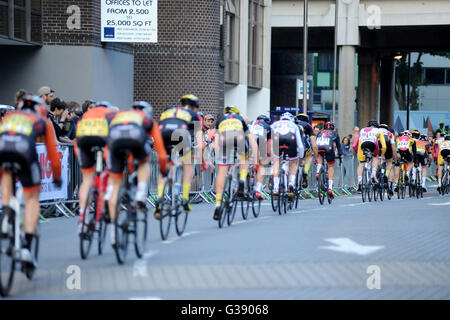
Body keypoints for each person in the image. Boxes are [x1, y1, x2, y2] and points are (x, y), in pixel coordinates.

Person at [0, 95, 61, 270]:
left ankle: (6, 212)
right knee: (32, 197)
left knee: (6, 176)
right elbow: (52, 152)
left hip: (3, 149)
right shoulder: (41, 119)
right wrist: (57, 176)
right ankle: (26, 245)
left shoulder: (8, 117)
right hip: (24, 152)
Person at [106, 101, 168, 247]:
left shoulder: (119, 116)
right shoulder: (148, 120)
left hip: (114, 140)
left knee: (115, 184)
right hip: (136, 139)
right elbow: (160, 150)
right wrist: (163, 169)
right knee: (143, 162)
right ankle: (140, 193)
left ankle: (113, 234)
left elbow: (107, 145)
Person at [154, 95, 204, 217]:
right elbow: (200, 142)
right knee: (188, 164)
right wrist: (202, 160)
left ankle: (160, 197)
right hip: (181, 134)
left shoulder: (168, 110)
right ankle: (185, 198)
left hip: (162, 133)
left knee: (164, 168)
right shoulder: (193, 114)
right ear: (195, 107)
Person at [213, 106, 258, 221]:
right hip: (239, 139)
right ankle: (242, 180)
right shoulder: (240, 119)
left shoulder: (221, 119)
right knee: (244, 158)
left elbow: (216, 142)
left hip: (224, 141)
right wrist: (257, 159)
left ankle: (218, 203)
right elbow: (251, 140)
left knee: (222, 172)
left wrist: (219, 155)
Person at [75, 101, 114, 234]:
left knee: (87, 179)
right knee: (113, 172)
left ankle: (82, 216)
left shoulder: (87, 114)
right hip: (103, 140)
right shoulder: (111, 113)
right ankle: (106, 202)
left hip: (83, 141)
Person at [271, 112, 304, 199]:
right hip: (290, 140)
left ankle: (275, 187)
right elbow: (300, 144)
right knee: (293, 162)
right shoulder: (294, 125)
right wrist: (301, 156)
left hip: (277, 139)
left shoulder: (275, 124)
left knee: (276, 162)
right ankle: (291, 183)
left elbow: (269, 140)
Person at [353, 120, 387, 190]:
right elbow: (384, 146)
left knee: (361, 164)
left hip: (363, 145)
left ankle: (359, 181)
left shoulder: (362, 130)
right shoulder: (378, 130)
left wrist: (357, 153)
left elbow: (354, 145)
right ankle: (373, 175)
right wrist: (382, 153)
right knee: (375, 157)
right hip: (373, 144)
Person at [315, 122, 343, 198]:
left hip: (319, 146)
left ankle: (318, 171)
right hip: (328, 147)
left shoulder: (320, 132)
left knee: (320, 156)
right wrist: (340, 155)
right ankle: (330, 188)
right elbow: (338, 146)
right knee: (330, 166)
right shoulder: (334, 133)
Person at [248, 114, 272, 200]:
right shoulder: (268, 127)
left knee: (243, 160)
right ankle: (258, 189)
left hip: (246, 137)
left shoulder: (251, 123)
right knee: (262, 163)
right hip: (260, 139)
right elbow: (269, 150)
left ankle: (238, 184)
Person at [295, 113, 315, 188]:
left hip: (293, 146)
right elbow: (312, 140)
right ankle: (305, 171)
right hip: (304, 146)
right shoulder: (308, 126)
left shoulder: (293, 123)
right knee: (309, 156)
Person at [379, 124, 398, 196]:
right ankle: (386, 176)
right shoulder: (389, 133)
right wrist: (395, 159)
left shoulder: (376, 131)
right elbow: (393, 148)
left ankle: (378, 171)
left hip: (379, 146)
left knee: (376, 159)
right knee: (390, 163)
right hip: (388, 146)